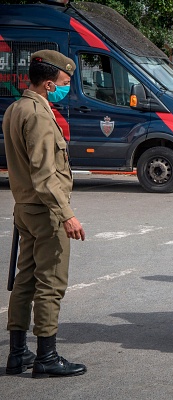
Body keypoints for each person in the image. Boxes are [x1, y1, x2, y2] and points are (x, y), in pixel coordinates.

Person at [3, 50, 86, 378]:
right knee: (50, 282)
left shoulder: (16, 108)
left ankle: (17, 353)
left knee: (24, 280)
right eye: (65, 83)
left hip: (25, 208)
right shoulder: (37, 114)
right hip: (45, 211)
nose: (67, 88)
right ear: (50, 84)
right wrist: (66, 214)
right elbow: (43, 172)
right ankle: (46, 357)